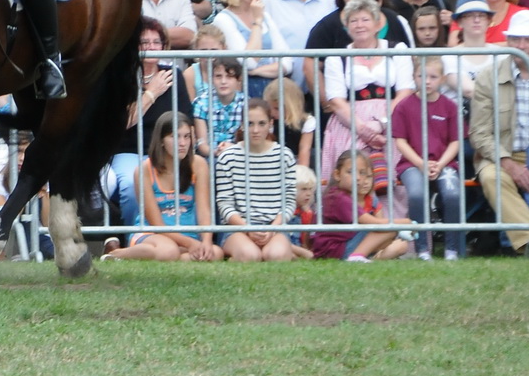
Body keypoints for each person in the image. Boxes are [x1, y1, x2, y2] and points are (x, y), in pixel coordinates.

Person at [467, 9, 529, 256]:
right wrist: (507, 162)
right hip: (500, 155)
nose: (522, 45)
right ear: (508, 41)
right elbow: (479, 132)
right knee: (493, 178)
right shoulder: (488, 77)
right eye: (516, 39)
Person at [319, 0, 415, 186]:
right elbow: (336, 101)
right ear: (346, 26)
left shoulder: (397, 49)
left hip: (393, 122)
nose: (359, 25)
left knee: (391, 180)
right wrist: (363, 130)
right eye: (353, 20)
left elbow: (405, 92)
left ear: (377, 24)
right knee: (351, 179)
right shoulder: (337, 58)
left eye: (365, 19)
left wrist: (381, 124)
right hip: (350, 124)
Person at [103, 113, 219, 261]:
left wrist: (207, 241)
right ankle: (116, 253)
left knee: (214, 253)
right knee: (168, 252)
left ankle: (177, 254)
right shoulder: (144, 170)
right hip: (153, 233)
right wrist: (190, 244)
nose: (182, 143)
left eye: (187, 136)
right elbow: (156, 223)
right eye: (175, 137)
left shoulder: (198, 164)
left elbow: (203, 210)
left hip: (188, 235)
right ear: (162, 141)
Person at [392, 55, 465, 260]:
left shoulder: (450, 107)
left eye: (433, 76)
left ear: (442, 79)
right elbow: (400, 141)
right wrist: (420, 163)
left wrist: (440, 164)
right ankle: (423, 249)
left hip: (444, 162)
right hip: (412, 164)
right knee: (417, 195)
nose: (426, 81)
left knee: (453, 194)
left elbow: (455, 141)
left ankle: (452, 249)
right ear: (413, 77)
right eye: (421, 75)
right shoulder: (404, 106)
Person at [215, 100, 298, 261]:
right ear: (242, 125)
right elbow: (224, 204)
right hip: (237, 228)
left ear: (270, 124)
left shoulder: (285, 155)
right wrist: (247, 228)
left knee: (276, 256)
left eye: (261, 124)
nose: (255, 130)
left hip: (274, 225)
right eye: (250, 124)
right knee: (250, 255)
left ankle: (288, 251)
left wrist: (273, 228)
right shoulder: (227, 157)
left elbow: (289, 202)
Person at [310, 149, 412, 262]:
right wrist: (407, 222)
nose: (358, 178)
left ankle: (372, 258)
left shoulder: (348, 196)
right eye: (350, 172)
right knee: (389, 229)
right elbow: (375, 223)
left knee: (401, 245)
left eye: (362, 173)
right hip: (335, 250)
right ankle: (356, 256)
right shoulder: (339, 197)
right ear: (337, 175)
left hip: (343, 245)